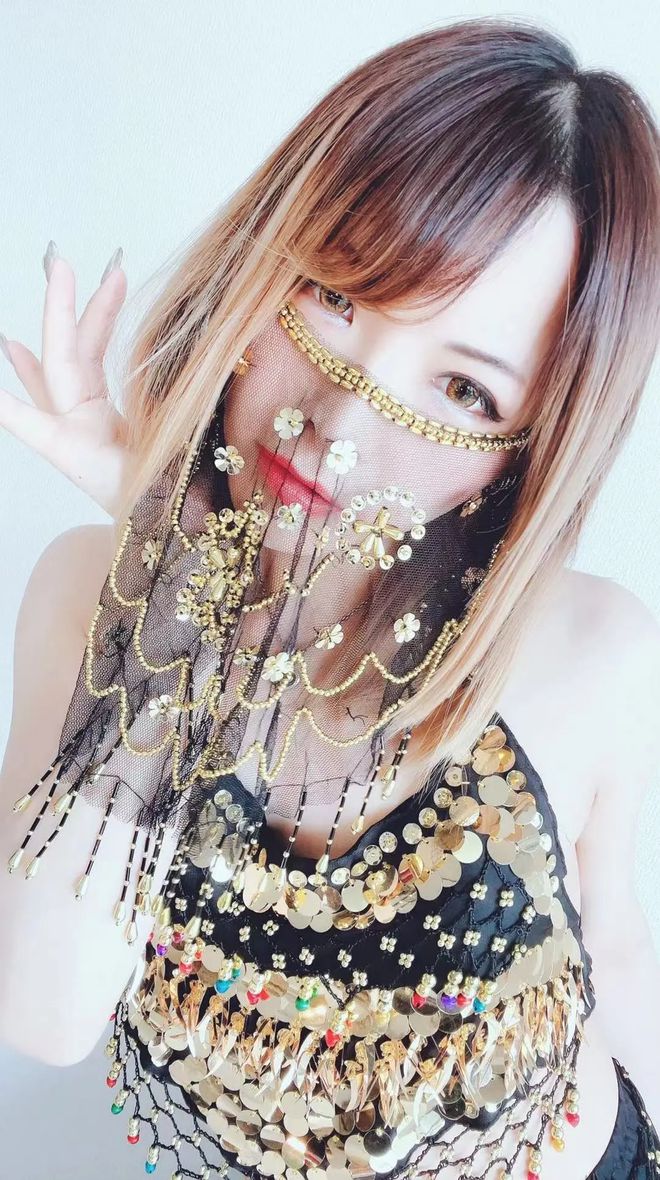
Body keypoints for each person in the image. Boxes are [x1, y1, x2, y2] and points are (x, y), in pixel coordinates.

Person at [1, 16, 659, 1180]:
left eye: (463, 388)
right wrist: (175, 563)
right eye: (336, 295)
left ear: (524, 449)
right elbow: (46, 1010)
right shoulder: (92, 596)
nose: (342, 421)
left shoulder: (591, 648)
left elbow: (623, 957)